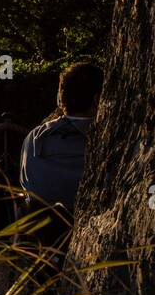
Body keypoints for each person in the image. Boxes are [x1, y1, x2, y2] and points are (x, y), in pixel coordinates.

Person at [19, 62, 103, 245]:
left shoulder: (35, 138)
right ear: (97, 99)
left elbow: (28, 185)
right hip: (81, 239)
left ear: (61, 97)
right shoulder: (102, 142)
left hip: (37, 241)